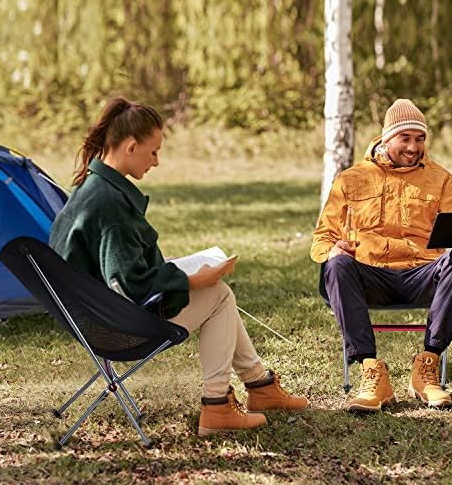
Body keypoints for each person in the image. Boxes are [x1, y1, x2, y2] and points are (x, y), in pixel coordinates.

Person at [49, 96, 308, 436]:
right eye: (153, 152)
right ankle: (217, 406)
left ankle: (259, 386)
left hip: (91, 320)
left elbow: (114, 269)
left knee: (216, 291)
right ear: (130, 147)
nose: (156, 162)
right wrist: (190, 280)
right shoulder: (110, 205)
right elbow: (130, 285)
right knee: (219, 294)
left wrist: (174, 269)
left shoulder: (91, 188)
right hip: (114, 329)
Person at [311, 98, 452, 412]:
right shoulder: (350, 179)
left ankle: (427, 367)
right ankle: (371, 372)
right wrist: (333, 249)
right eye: (405, 138)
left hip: (422, 275)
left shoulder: (440, 179)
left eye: (420, 139)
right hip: (370, 277)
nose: (413, 147)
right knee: (336, 263)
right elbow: (321, 239)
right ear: (386, 138)